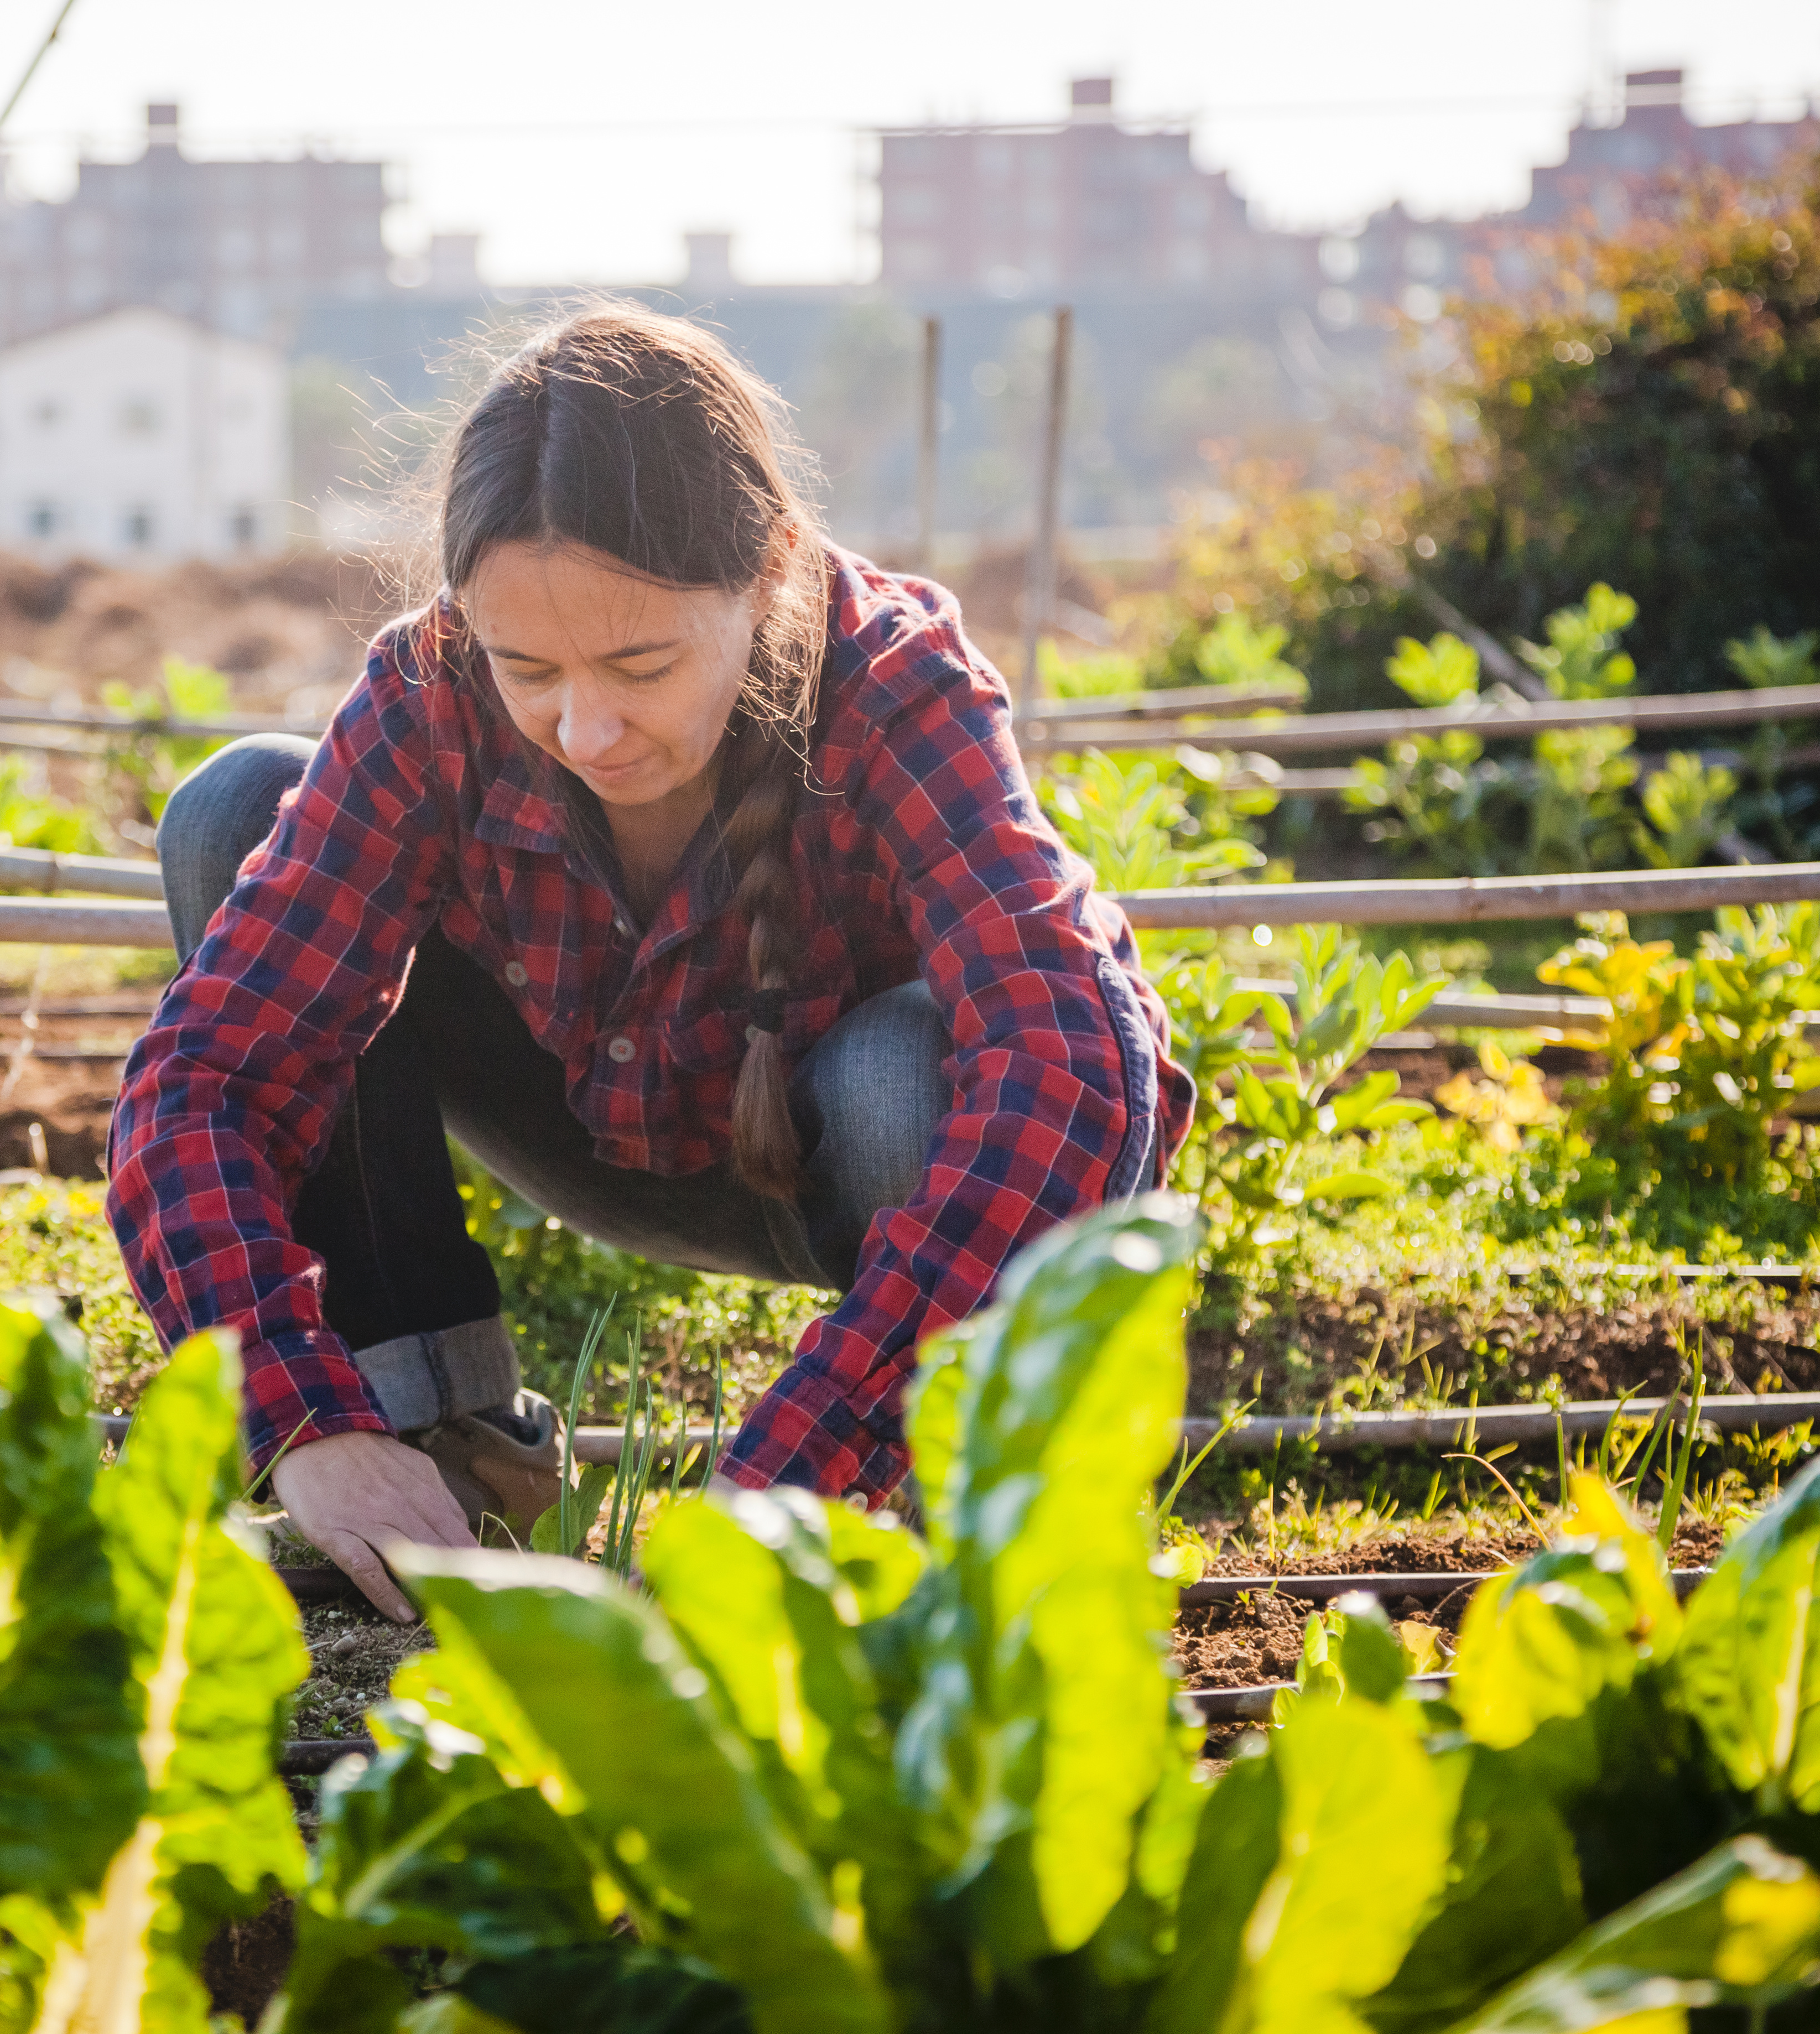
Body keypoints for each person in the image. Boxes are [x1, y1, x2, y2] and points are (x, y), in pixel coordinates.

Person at [107, 306, 1189, 1620]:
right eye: (527, 668)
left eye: (641, 664)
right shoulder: (430, 695)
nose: (586, 728)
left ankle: (937, 1489)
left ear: (770, 567)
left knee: (906, 1076)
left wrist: (795, 1472)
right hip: (578, 1127)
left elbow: (1072, 1065)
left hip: (832, 1158)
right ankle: (439, 1449)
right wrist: (299, 1418)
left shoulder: (891, 681)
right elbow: (202, 1082)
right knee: (237, 808)